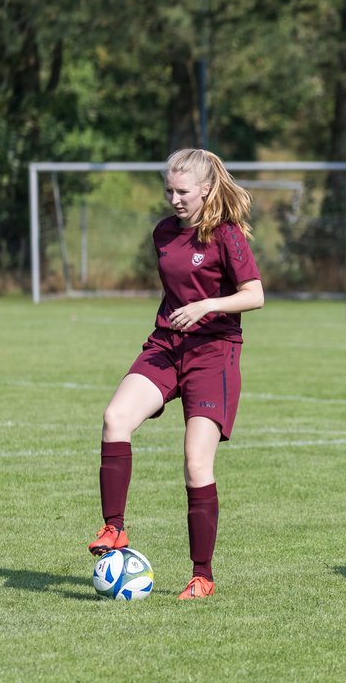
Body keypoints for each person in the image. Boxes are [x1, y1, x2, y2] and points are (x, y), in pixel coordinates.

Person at [87, 148, 265, 599]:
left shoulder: (227, 236)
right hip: (166, 344)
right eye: (169, 189)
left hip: (214, 354)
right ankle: (114, 530)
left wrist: (208, 306)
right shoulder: (164, 233)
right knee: (115, 418)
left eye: (182, 191)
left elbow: (255, 295)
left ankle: (202, 576)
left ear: (206, 189)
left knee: (195, 463)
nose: (174, 199)